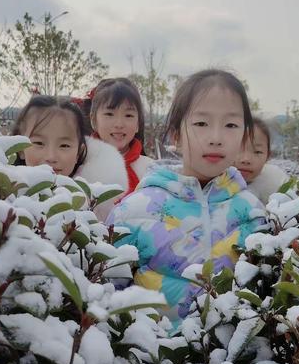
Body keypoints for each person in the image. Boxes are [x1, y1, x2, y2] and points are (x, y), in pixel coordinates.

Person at [107, 69, 267, 323]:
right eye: (201, 123)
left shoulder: (255, 214)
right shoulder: (134, 211)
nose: (215, 138)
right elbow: (108, 303)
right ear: (176, 134)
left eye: (231, 125)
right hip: (151, 359)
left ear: (244, 135)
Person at [12, 95, 128, 220]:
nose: (51, 157)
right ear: (20, 148)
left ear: (79, 153)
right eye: (39, 143)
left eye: (64, 145)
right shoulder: (0, 196)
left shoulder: (93, 212)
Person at [89, 78, 153, 194]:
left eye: (128, 115)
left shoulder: (151, 169)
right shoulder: (81, 164)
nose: (119, 124)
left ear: (138, 123)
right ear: (94, 120)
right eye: (109, 114)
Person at [236, 117, 288, 203]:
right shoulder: (211, 186)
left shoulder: (276, 186)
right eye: (237, 149)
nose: (246, 159)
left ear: (268, 156)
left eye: (257, 152)